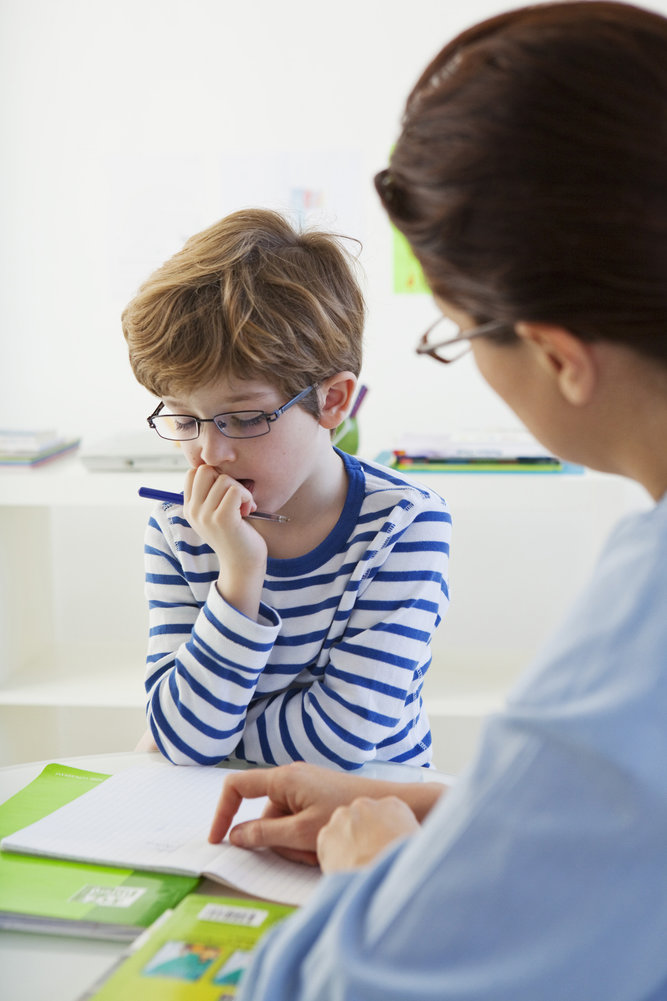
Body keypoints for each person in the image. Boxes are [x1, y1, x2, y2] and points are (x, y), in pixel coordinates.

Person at [207, 4, 667, 998]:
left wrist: (372, 860)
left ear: (555, 354)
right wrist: (430, 801)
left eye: (455, 333)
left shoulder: (644, 615)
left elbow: (352, 986)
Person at [122, 208, 451, 769]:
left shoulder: (404, 523)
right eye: (184, 420)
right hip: (213, 809)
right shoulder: (181, 529)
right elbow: (182, 743)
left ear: (333, 401)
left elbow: (338, 743)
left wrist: (210, 732)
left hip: (368, 811)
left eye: (245, 418)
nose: (210, 453)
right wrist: (240, 576)